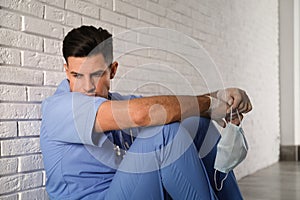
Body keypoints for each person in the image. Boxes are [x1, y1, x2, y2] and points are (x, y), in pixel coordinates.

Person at [40, 25, 252, 200]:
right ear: (66, 70)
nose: (87, 87)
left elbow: (169, 109)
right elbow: (145, 114)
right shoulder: (60, 107)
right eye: (77, 75)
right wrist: (209, 104)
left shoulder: (114, 103)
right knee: (163, 135)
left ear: (113, 70)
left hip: (127, 190)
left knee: (195, 122)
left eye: (96, 74)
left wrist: (223, 98)